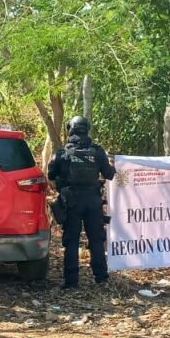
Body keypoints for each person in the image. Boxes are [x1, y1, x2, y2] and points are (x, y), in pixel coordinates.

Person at [47, 116, 116, 289]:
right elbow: (109, 174)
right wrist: (111, 164)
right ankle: (101, 278)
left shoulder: (62, 152)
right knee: (96, 239)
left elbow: (51, 174)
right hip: (93, 201)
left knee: (71, 241)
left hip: (72, 202)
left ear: (70, 129)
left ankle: (71, 282)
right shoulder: (97, 151)